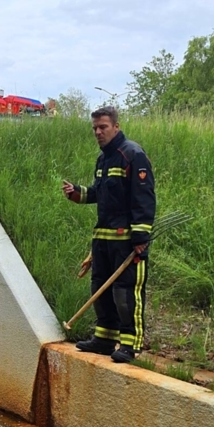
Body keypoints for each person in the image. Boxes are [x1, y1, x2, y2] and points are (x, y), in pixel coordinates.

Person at [63, 106, 156, 363]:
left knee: (125, 293)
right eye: (94, 128)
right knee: (100, 289)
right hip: (103, 239)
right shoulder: (103, 159)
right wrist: (77, 193)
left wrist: (140, 237)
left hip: (126, 240)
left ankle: (130, 344)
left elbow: (144, 198)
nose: (98, 132)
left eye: (103, 127)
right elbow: (99, 192)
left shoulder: (133, 155)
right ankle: (104, 339)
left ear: (116, 126)